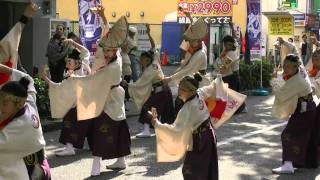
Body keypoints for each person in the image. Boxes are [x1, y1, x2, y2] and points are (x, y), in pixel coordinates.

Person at [44, 6, 131, 176]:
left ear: (116, 50)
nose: (105, 53)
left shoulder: (114, 65)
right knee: (108, 127)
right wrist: (103, 16)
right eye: (105, 49)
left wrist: (74, 79)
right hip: (102, 95)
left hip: (110, 96)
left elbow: (92, 79)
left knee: (109, 127)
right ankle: (118, 160)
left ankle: (101, 164)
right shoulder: (106, 53)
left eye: (109, 50)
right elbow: (108, 34)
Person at [150, 74, 218, 180]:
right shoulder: (199, 93)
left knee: (192, 171)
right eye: (179, 88)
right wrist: (218, 79)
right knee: (206, 167)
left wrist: (157, 124)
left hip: (200, 141)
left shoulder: (187, 109)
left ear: (191, 91)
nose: (179, 91)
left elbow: (175, 129)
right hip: (209, 135)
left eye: (182, 89)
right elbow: (211, 88)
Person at [42, 39, 92, 157]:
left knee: (73, 124)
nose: (67, 64)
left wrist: (72, 42)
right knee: (79, 125)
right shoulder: (70, 75)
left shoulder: (81, 70)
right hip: (80, 105)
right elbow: (59, 87)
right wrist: (45, 79)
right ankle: (72, 147)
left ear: (77, 63)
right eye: (67, 62)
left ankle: (71, 147)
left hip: (81, 105)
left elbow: (85, 52)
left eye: (70, 62)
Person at [270, 54, 318, 174]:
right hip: (306, 109)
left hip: (305, 111)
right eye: (284, 65)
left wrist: (274, 80)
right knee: (303, 136)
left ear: (296, 67)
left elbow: (281, 95)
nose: (285, 69)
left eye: (289, 67)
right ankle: (296, 162)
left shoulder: (297, 80)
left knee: (287, 134)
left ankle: (288, 164)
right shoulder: (297, 74)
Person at [162, 17, 209, 117]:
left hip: (198, 84)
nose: (189, 43)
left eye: (191, 41)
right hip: (195, 81)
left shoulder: (200, 53)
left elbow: (188, 69)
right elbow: (186, 66)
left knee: (181, 101)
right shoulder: (198, 48)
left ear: (197, 40)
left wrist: (170, 78)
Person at [126, 50, 174, 138]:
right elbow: (155, 50)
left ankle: (147, 130)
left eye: (142, 59)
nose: (140, 61)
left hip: (161, 91)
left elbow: (140, 83)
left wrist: (128, 85)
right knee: (165, 111)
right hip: (164, 91)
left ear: (148, 60)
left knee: (147, 107)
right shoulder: (154, 62)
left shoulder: (151, 69)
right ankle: (163, 130)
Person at [215, 35, 246, 113]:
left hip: (232, 77)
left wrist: (219, 60)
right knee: (233, 94)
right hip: (229, 76)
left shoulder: (231, 53)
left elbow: (224, 67)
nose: (226, 46)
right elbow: (220, 66)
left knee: (233, 94)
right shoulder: (227, 52)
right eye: (225, 44)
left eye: (229, 44)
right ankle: (238, 109)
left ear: (232, 44)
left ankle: (238, 109)